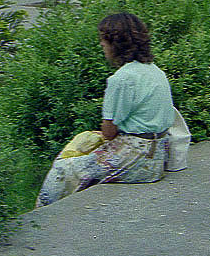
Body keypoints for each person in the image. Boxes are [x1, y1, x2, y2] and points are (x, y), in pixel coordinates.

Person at [38, 12, 176, 207]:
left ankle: (42, 213)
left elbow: (109, 132)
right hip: (159, 154)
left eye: (104, 39)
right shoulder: (154, 70)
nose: (101, 44)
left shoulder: (121, 79)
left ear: (116, 43)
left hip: (138, 157)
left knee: (65, 168)